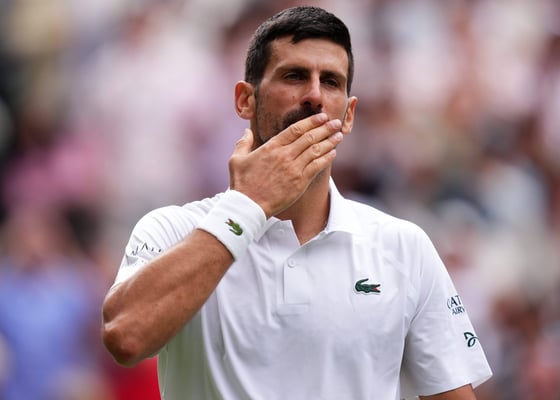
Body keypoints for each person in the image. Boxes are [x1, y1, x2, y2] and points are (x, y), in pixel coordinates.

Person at [101, 6, 492, 400]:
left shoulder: (404, 247)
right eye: (294, 76)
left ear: (349, 114)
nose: (315, 96)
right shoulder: (171, 230)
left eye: (331, 82)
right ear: (245, 100)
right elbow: (126, 336)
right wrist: (249, 204)